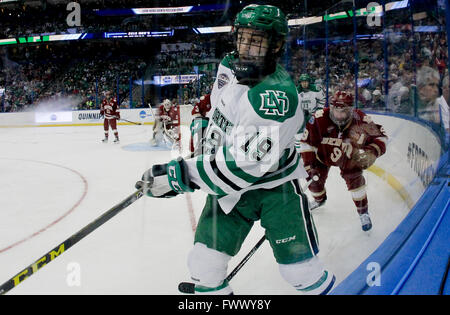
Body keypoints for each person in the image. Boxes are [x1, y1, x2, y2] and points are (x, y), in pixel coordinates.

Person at [136, 4, 335, 295]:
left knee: (300, 271)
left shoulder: (275, 98)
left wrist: (181, 175)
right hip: (228, 191)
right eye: (243, 37)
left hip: (274, 188)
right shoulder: (229, 65)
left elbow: (241, 168)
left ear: (276, 44)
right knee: (204, 267)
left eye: (257, 40)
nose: (246, 46)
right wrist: (203, 137)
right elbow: (222, 111)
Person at [299, 91, 388, 232]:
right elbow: (306, 143)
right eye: (336, 110)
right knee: (312, 179)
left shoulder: (362, 120)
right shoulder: (318, 119)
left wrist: (372, 151)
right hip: (322, 155)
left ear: (351, 110)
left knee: (355, 180)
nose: (339, 115)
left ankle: (363, 211)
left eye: (344, 111)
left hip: (349, 158)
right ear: (331, 108)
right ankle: (319, 199)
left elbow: (381, 137)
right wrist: (309, 165)